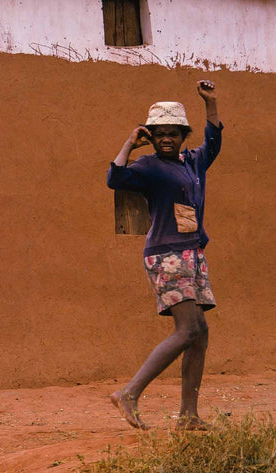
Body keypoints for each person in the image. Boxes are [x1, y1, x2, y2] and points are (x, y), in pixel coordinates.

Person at [106, 80, 222, 430]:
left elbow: (214, 140)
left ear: (183, 135)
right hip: (166, 254)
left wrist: (211, 103)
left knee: (200, 333)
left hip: (192, 253)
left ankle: (188, 416)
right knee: (188, 329)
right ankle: (129, 392)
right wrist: (129, 142)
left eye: (173, 133)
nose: (167, 138)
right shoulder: (149, 166)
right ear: (151, 136)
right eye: (160, 133)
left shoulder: (193, 161)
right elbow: (116, 178)